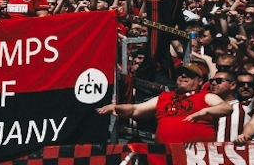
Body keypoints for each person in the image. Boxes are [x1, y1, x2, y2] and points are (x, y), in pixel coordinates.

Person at [97, 61, 231, 145]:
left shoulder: (206, 96)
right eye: (180, 74)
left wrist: (205, 111)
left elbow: (226, 108)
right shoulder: (165, 96)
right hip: (165, 154)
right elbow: (135, 109)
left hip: (197, 155)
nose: (183, 76)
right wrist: (115, 108)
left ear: (200, 81)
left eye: (189, 75)